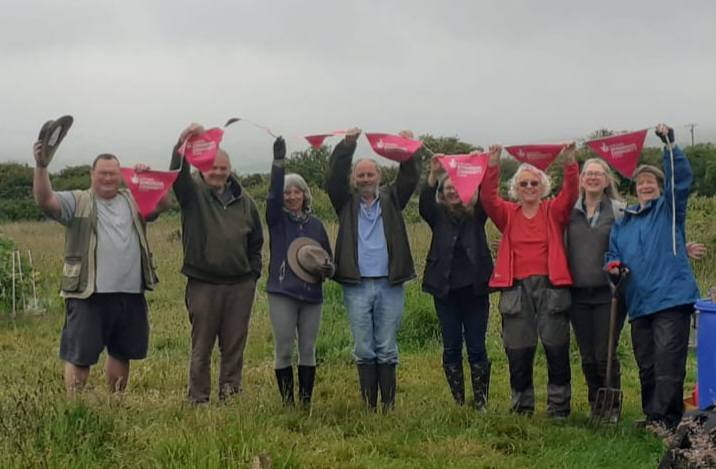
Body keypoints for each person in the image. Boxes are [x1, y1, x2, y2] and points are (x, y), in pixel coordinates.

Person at [32, 139, 165, 395]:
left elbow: (163, 205)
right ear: (91, 174)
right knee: (80, 355)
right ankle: (76, 407)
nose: (107, 178)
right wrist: (41, 166)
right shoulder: (78, 200)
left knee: (122, 352)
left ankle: (115, 405)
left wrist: (149, 180)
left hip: (130, 293)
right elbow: (45, 200)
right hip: (87, 293)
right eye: (102, 173)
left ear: (120, 175)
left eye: (113, 173)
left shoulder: (133, 199)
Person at [606, 124, 700, 431]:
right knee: (647, 364)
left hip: (671, 298)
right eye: (641, 182)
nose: (645, 186)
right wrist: (613, 265)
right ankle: (653, 416)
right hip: (639, 302)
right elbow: (613, 252)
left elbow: (680, 180)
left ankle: (666, 420)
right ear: (635, 189)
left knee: (667, 362)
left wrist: (669, 145)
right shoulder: (624, 221)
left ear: (660, 186)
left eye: (651, 182)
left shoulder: (669, 211)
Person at [324, 127, 420, 412]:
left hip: (390, 284)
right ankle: (370, 406)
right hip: (357, 285)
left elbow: (410, 176)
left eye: (370, 174)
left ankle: (388, 406)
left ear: (380, 176)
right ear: (354, 179)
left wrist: (406, 147)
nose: (365, 179)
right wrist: (347, 146)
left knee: (387, 346)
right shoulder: (345, 202)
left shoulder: (393, 199)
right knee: (364, 347)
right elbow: (332, 178)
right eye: (360, 175)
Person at [481, 142, 579, 417]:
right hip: (516, 288)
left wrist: (570, 160)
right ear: (516, 188)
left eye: (534, 183)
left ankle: (559, 408)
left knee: (556, 348)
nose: (529, 187)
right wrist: (493, 162)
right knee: (518, 350)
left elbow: (571, 192)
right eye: (523, 183)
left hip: (551, 287)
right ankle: (522, 407)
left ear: (543, 186)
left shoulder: (553, 211)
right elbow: (487, 197)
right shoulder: (507, 214)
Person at [170, 123, 264, 404]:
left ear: (230, 169)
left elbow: (256, 241)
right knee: (202, 346)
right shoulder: (192, 193)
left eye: (223, 168)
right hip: (203, 283)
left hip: (240, 285)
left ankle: (230, 395)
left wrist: (253, 275)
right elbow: (177, 175)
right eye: (212, 167)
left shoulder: (246, 202)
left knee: (234, 345)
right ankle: (198, 398)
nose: (218, 172)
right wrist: (182, 141)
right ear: (201, 166)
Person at [419, 154, 494, 409]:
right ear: (442, 193)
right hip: (445, 292)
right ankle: (459, 401)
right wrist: (433, 174)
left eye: (456, 187)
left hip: (475, 292)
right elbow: (424, 203)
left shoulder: (477, 214)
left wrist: (484, 165)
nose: (452, 191)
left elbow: (487, 194)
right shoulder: (437, 215)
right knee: (451, 347)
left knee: (476, 347)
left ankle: (481, 402)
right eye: (447, 188)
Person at [266, 136, 334, 408]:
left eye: (297, 191)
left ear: (305, 194)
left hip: (312, 293)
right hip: (282, 291)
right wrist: (278, 163)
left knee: (308, 349)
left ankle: (305, 403)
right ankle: (288, 404)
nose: (293, 196)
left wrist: (329, 269)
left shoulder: (316, 224)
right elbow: (272, 196)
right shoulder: (277, 220)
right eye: (288, 192)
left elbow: (328, 258)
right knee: (284, 348)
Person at [565, 158, 627, 415]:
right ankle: (595, 403)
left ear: (607, 179)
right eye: (588, 173)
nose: (592, 177)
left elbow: (637, 241)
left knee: (605, 354)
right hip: (577, 293)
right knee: (587, 356)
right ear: (581, 180)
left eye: (598, 174)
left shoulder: (620, 211)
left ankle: (611, 407)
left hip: (609, 293)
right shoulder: (568, 211)